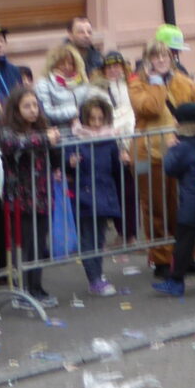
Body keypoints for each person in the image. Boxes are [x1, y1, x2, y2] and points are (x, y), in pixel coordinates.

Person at [0, 84, 61, 307]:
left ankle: (36, 287)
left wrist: (55, 142)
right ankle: (22, 290)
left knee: (39, 245)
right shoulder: (7, 130)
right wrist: (45, 138)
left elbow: (54, 153)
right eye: (27, 106)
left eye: (35, 105)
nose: (33, 110)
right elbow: (11, 144)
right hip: (20, 198)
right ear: (16, 109)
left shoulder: (42, 128)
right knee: (24, 245)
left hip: (42, 195)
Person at [64, 87, 130, 297]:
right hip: (84, 194)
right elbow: (65, 165)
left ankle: (97, 276)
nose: (96, 123)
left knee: (98, 238)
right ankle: (94, 278)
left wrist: (123, 161)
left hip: (103, 193)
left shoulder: (109, 140)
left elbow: (116, 169)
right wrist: (70, 163)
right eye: (92, 119)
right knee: (87, 238)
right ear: (85, 119)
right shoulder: (76, 139)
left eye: (100, 119)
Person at [153, 102, 195, 296]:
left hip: (192, 200)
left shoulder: (183, 146)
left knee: (184, 241)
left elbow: (170, 168)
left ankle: (176, 281)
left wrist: (170, 149)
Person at [34, 40, 89, 126]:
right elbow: (46, 111)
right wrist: (74, 112)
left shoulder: (81, 81)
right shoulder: (44, 83)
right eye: (62, 64)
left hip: (84, 127)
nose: (67, 67)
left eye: (71, 64)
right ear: (53, 64)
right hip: (58, 128)